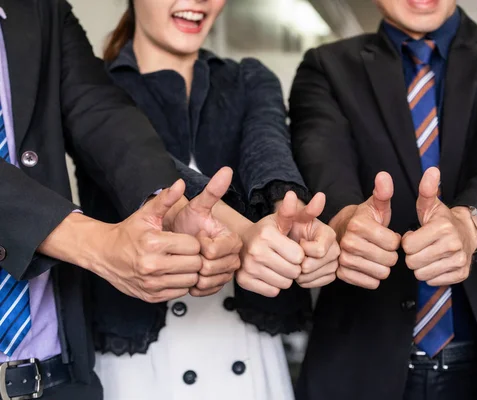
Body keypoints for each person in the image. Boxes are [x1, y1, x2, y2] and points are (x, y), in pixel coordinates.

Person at [289, 0, 477, 399]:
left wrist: (473, 224)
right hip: (361, 359)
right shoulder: (326, 66)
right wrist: (344, 220)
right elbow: (318, 152)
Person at [74, 0, 340, 399]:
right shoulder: (93, 89)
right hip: (141, 359)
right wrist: (245, 230)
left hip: (246, 349)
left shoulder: (248, 78)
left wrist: (288, 208)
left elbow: (267, 147)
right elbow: (142, 165)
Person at [0, 0, 245, 399]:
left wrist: (169, 207)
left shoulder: (39, 8)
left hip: (58, 378)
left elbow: (101, 113)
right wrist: (97, 243)